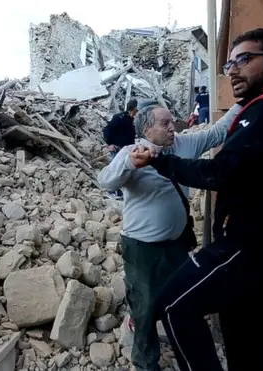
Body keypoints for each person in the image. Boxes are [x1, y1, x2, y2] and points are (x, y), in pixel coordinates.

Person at [132, 28, 263, 371]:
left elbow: (219, 172)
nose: (232, 69)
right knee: (245, 335)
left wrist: (161, 161)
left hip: (256, 246)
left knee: (174, 307)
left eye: (244, 60)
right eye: (229, 63)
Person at [97, 100, 240, 371]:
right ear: (147, 130)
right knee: (146, 307)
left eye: (172, 121)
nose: (172, 127)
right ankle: (145, 361)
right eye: (165, 123)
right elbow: (105, 180)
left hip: (176, 244)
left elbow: (217, 132)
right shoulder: (132, 151)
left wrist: (242, 103)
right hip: (142, 249)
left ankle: (182, 349)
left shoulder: (184, 144)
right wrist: (129, 162)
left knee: (181, 298)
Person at [102, 99, 139, 200]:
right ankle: (110, 191)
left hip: (126, 150)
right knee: (115, 170)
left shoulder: (131, 120)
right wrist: (109, 144)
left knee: (124, 171)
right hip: (117, 148)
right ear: (134, 109)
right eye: (137, 110)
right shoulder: (119, 118)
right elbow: (106, 130)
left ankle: (118, 191)